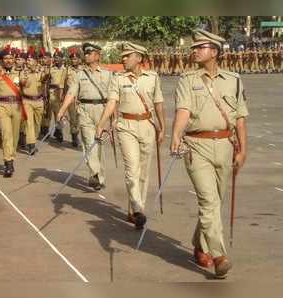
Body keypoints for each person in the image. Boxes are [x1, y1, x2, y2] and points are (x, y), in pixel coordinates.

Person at [170, 29, 249, 279]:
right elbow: (183, 110)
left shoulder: (233, 80)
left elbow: (240, 118)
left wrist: (243, 150)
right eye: (194, 48)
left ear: (214, 51)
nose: (194, 51)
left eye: (200, 47)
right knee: (208, 201)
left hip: (226, 145)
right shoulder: (187, 79)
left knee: (216, 202)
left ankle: (200, 243)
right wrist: (175, 135)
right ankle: (219, 256)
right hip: (196, 146)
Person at [95, 42, 165, 229]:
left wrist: (163, 127)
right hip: (126, 126)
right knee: (132, 168)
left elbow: (158, 103)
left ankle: (133, 208)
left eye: (127, 55)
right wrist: (101, 124)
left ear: (139, 58)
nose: (123, 58)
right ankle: (138, 209)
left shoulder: (153, 78)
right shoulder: (118, 78)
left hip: (148, 125)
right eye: (123, 55)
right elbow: (111, 103)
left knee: (143, 171)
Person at [57, 43, 112, 190]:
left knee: (99, 143)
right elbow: (71, 93)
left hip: (102, 109)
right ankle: (94, 173)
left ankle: (99, 177)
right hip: (85, 110)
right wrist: (62, 110)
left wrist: (115, 117)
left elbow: (113, 98)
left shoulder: (107, 74)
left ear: (97, 55)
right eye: (85, 53)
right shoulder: (79, 74)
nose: (86, 55)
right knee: (88, 142)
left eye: (89, 53)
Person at [0, 46, 25, 177]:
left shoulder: (20, 73)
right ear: (2, 60)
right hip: (2, 106)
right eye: (6, 58)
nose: (8, 60)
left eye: (10, 58)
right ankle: (8, 162)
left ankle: (11, 156)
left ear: (14, 59)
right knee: (6, 134)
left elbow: (27, 87)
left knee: (15, 136)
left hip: (17, 106)